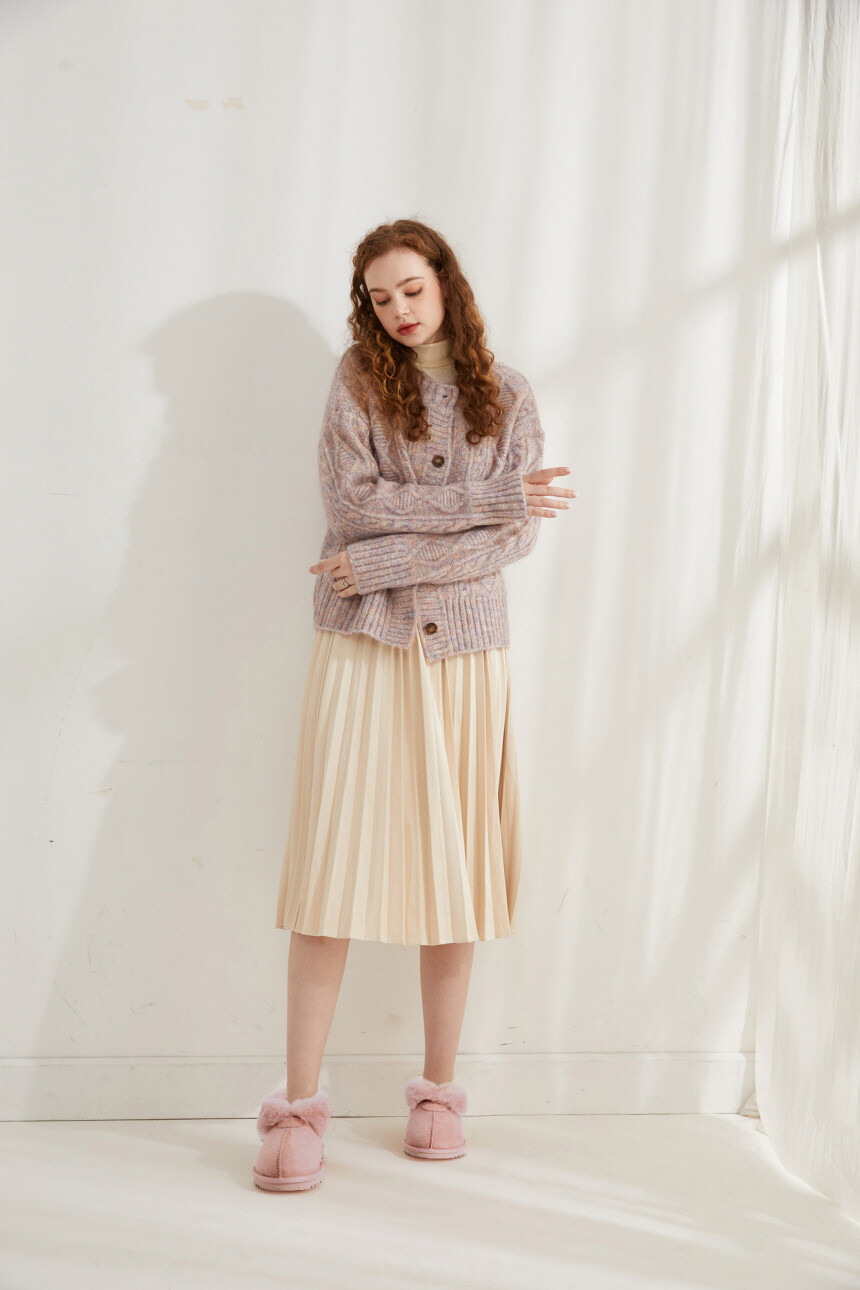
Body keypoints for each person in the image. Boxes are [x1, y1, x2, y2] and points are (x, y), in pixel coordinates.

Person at [252, 219, 576, 1191]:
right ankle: (297, 1108)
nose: (398, 309)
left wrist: (383, 560)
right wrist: (490, 498)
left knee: (455, 872)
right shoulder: (357, 381)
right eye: (380, 296)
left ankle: (438, 1094)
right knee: (329, 866)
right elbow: (349, 505)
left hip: (465, 650)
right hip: (362, 641)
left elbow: (511, 541)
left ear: (445, 281)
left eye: (411, 288)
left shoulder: (508, 394)